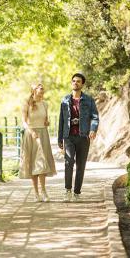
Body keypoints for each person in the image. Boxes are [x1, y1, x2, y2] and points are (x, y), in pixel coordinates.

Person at [58, 73, 99, 202]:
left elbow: (95, 117)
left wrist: (93, 129)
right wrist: (60, 140)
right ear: (71, 83)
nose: (75, 83)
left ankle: (77, 193)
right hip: (69, 136)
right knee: (69, 162)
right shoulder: (65, 100)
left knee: (81, 165)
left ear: (82, 84)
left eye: (78, 81)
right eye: (74, 81)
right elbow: (61, 121)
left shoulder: (88, 100)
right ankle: (67, 190)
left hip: (83, 137)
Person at [20, 83, 57, 202]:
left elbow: (46, 120)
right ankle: (36, 193)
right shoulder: (27, 103)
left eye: (43, 88)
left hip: (43, 134)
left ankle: (44, 191)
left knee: (42, 164)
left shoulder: (45, 104)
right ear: (33, 90)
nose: (42, 90)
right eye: (39, 88)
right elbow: (24, 122)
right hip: (31, 135)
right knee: (33, 164)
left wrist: (47, 123)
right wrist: (31, 132)